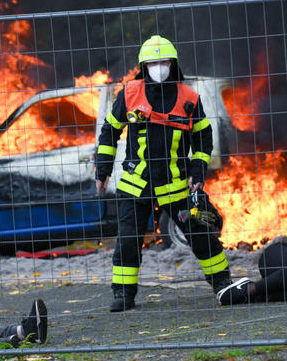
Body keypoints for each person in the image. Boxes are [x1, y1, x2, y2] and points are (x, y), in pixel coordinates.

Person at [95, 35, 233, 312]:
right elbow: (110, 130)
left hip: (177, 184)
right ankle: (123, 295)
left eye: (163, 61)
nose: (159, 67)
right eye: (152, 62)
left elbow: (203, 135)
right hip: (136, 184)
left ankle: (222, 282)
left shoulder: (189, 97)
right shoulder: (130, 93)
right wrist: (103, 170)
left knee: (201, 235)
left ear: (173, 63)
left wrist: (198, 169)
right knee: (128, 239)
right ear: (143, 67)